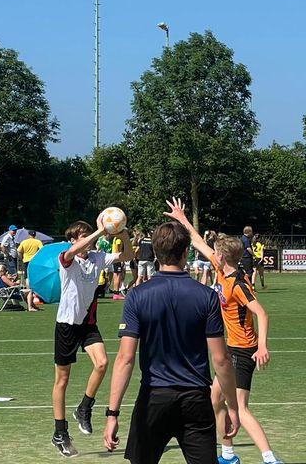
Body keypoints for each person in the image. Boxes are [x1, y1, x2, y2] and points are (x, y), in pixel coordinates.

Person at [102, 198, 241, 464]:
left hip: (153, 398)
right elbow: (221, 360)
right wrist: (232, 407)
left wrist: (112, 414)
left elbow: (125, 359)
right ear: (186, 251)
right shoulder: (206, 297)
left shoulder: (137, 296)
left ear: (154, 252)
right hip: (195, 400)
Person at [174, 217, 284, 464]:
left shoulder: (238, 285)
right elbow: (198, 241)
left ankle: (270, 459)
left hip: (244, 351)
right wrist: (182, 219)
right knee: (215, 399)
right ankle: (228, 454)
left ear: (223, 257)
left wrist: (263, 346)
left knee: (241, 409)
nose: (213, 254)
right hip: (231, 347)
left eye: (217, 252)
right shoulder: (221, 268)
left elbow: (262, 313)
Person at [51, 219, 134, 457]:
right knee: (62, 380)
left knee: (102, 363)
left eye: (91, 235)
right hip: (66, 325)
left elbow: (127, 255)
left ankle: (84, 407)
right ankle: (60, 432)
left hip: (87, 324)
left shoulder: (97, 258)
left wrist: (122, 231)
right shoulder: (67, 259)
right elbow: (74, 250)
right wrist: (100, 230)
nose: (90, 239)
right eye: (84, 236)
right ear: (73, 240)